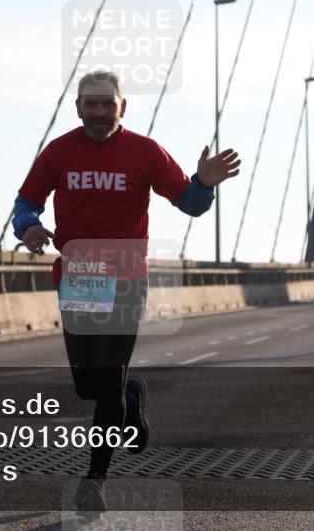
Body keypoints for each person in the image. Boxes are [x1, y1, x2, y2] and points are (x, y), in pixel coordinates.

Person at [12, 70, 240, 515]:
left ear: (122, 107)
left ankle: (95, 480)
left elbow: (189, 202)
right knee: (88, 387)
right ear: (78, 108)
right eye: (90, 104)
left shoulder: (145, 152)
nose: (99, 112)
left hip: (126, 281)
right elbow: (25, 202)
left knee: (108, 376)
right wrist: (30, 227)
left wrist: (205, 183)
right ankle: (132, 397)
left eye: (106, 104)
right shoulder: (58, 152)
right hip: (78, 279)